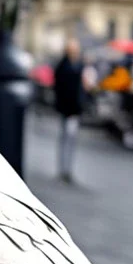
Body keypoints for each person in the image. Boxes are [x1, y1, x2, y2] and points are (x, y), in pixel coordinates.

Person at [54, 38, 85, 183]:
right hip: (69, 109)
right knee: (67, 138)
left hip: (73, 108)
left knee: (69, 139)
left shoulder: (76, 65)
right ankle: (65, 169)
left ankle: (66, 168)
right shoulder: (66, 67)